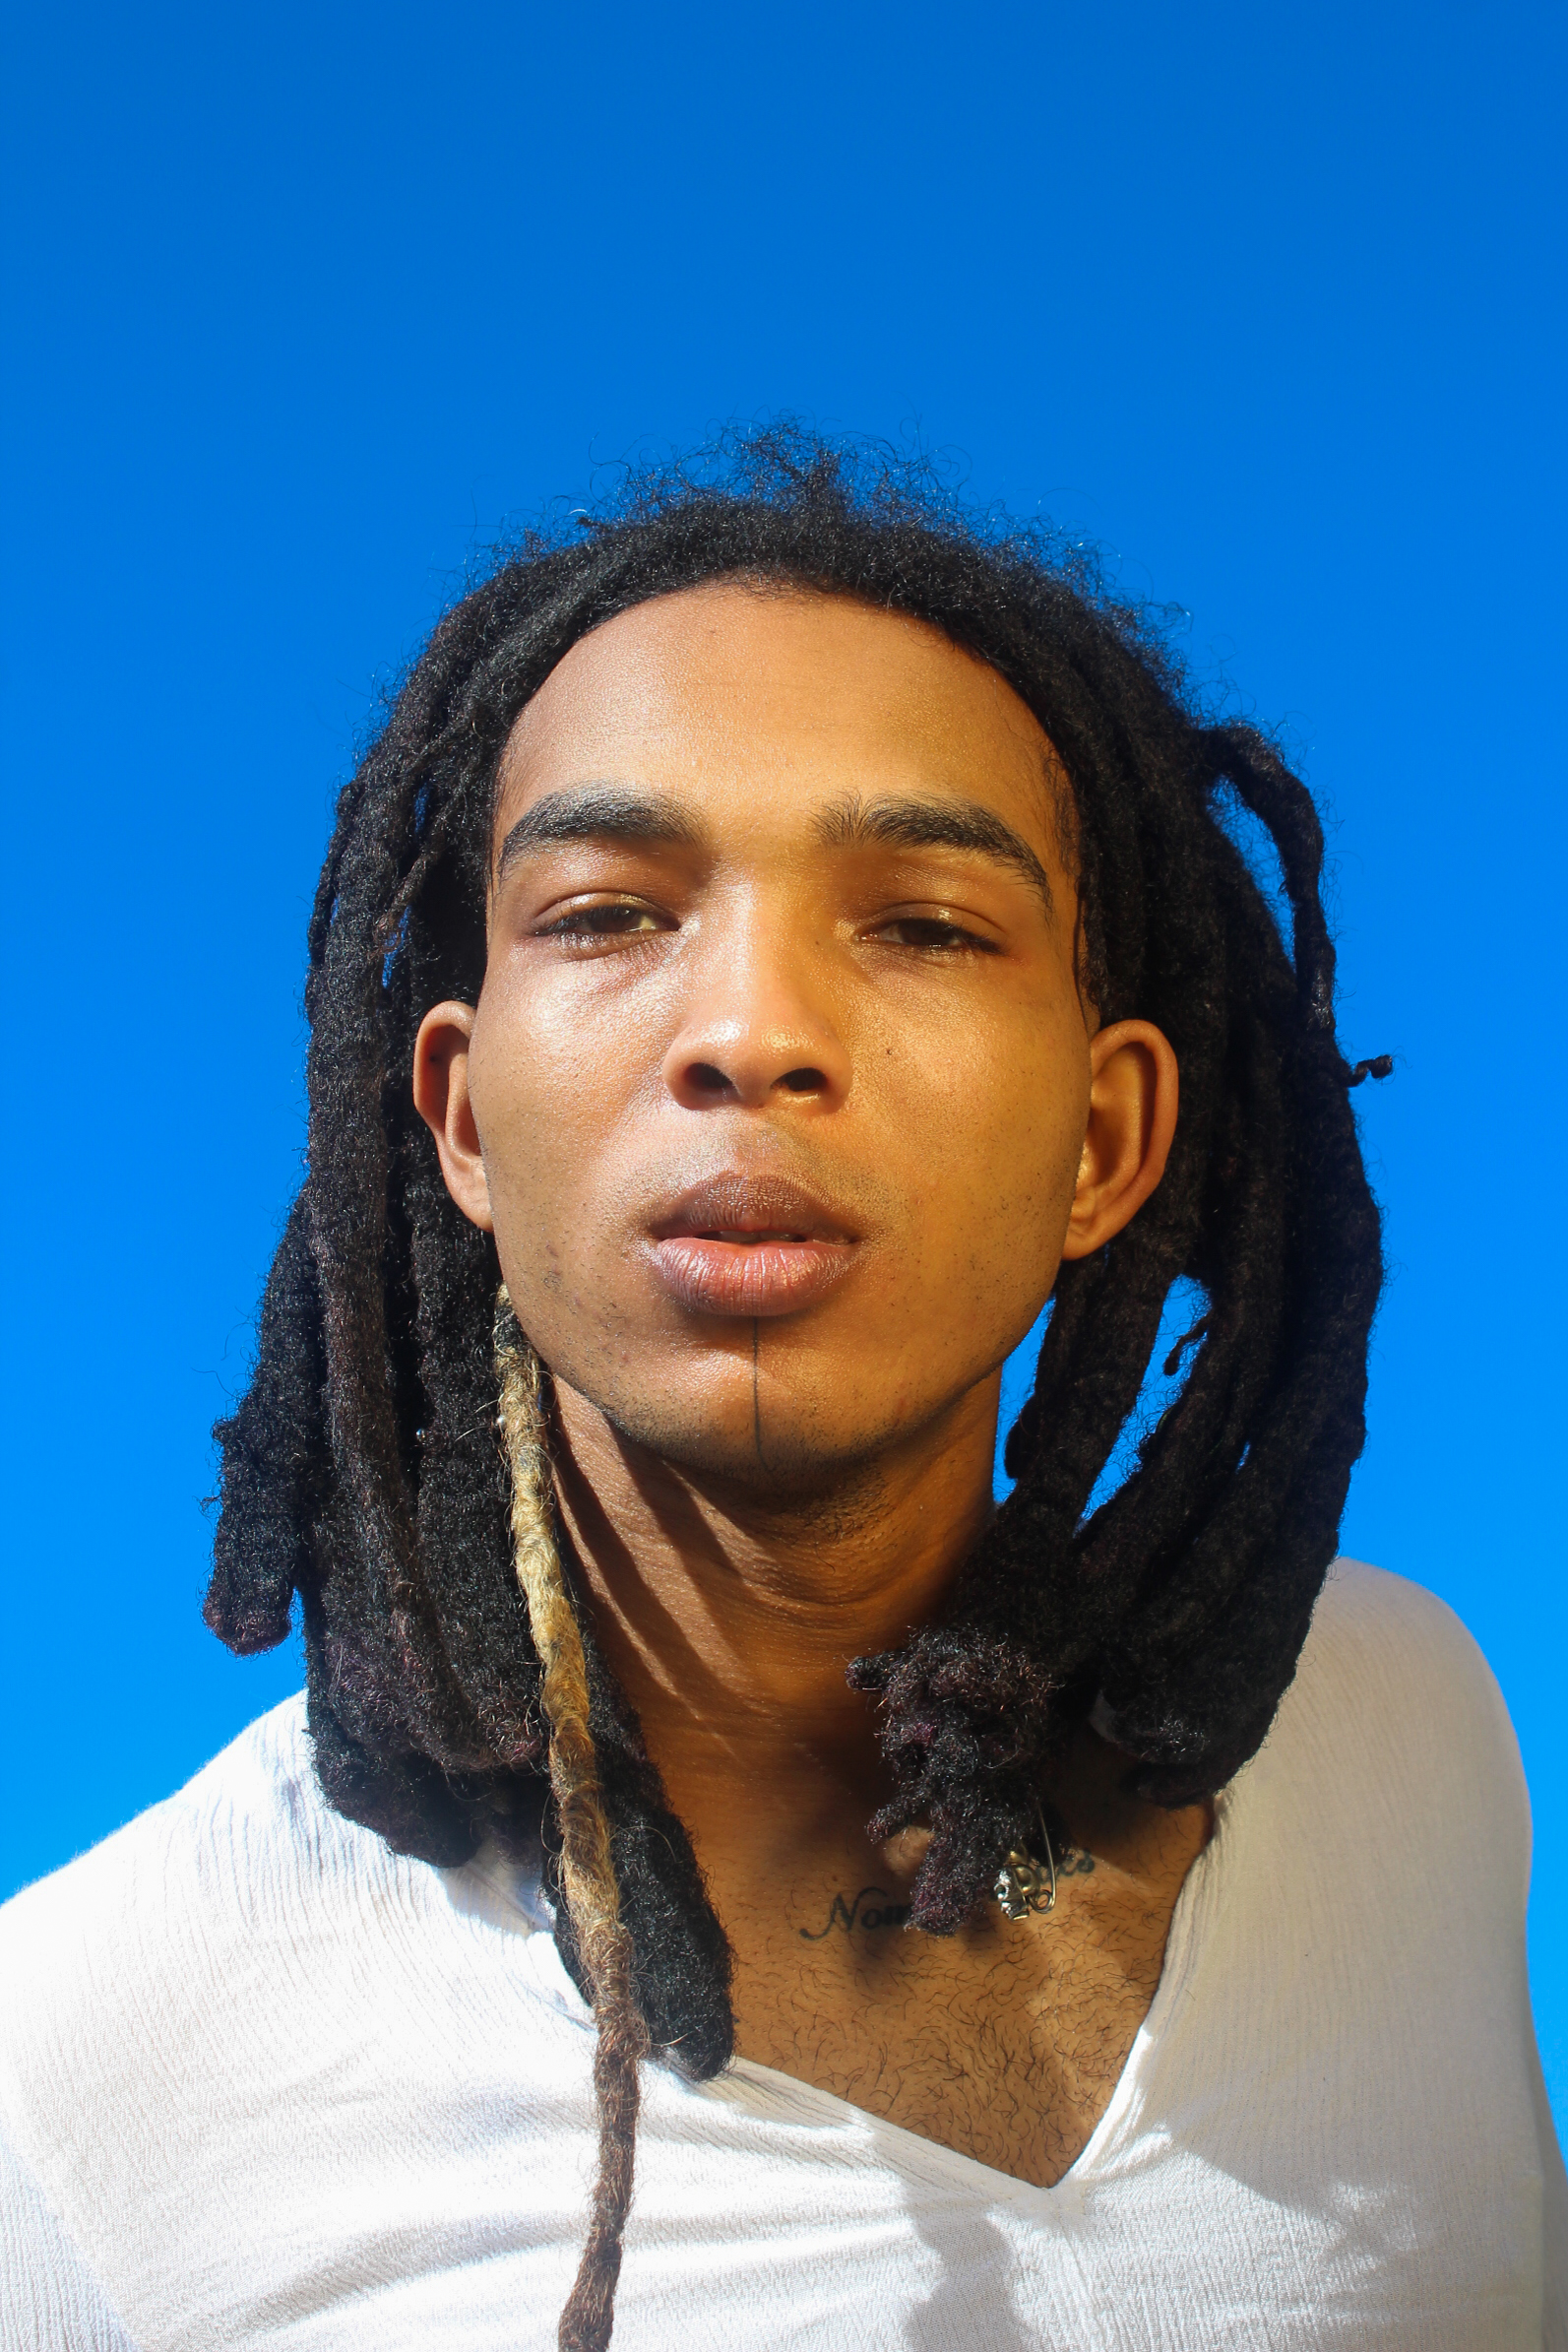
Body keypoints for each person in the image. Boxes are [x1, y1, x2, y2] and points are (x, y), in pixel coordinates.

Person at [1, 435, 1561, 2352]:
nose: (749, 1033)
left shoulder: (1405, 1734)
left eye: (922, 923)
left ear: (1103, 1138)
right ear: (463, 1121)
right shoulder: (80, 2079)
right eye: (607, 911)